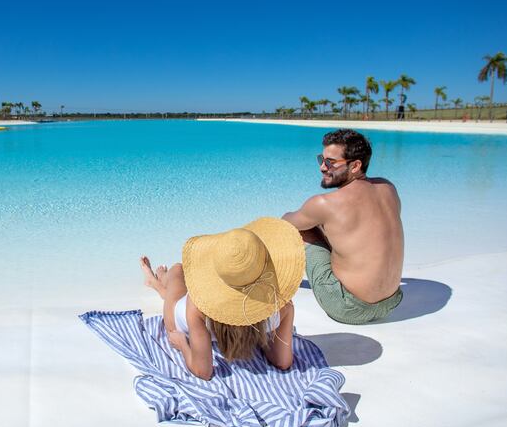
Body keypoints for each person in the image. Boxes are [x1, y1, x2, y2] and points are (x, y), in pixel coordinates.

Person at [139, 217, 304, 380]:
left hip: (178, 315)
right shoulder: (283, 306)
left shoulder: (197, 305)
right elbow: (282, 362)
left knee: (177, 270)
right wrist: (261, 338)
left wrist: (182, 343)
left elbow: (203, 372)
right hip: (194, 314)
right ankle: (159, 286)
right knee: (176, 280)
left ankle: (159, 284)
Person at [283, 129, 403, 325]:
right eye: (321, 159)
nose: (322, 167)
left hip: (349, 308)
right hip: (391, 303)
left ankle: (268, 278)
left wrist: (309, 218)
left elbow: (286, 224)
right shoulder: (388, 188)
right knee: (331, 226)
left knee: (303, 229)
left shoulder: (325, 203)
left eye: (330, 162)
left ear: (355, 165)